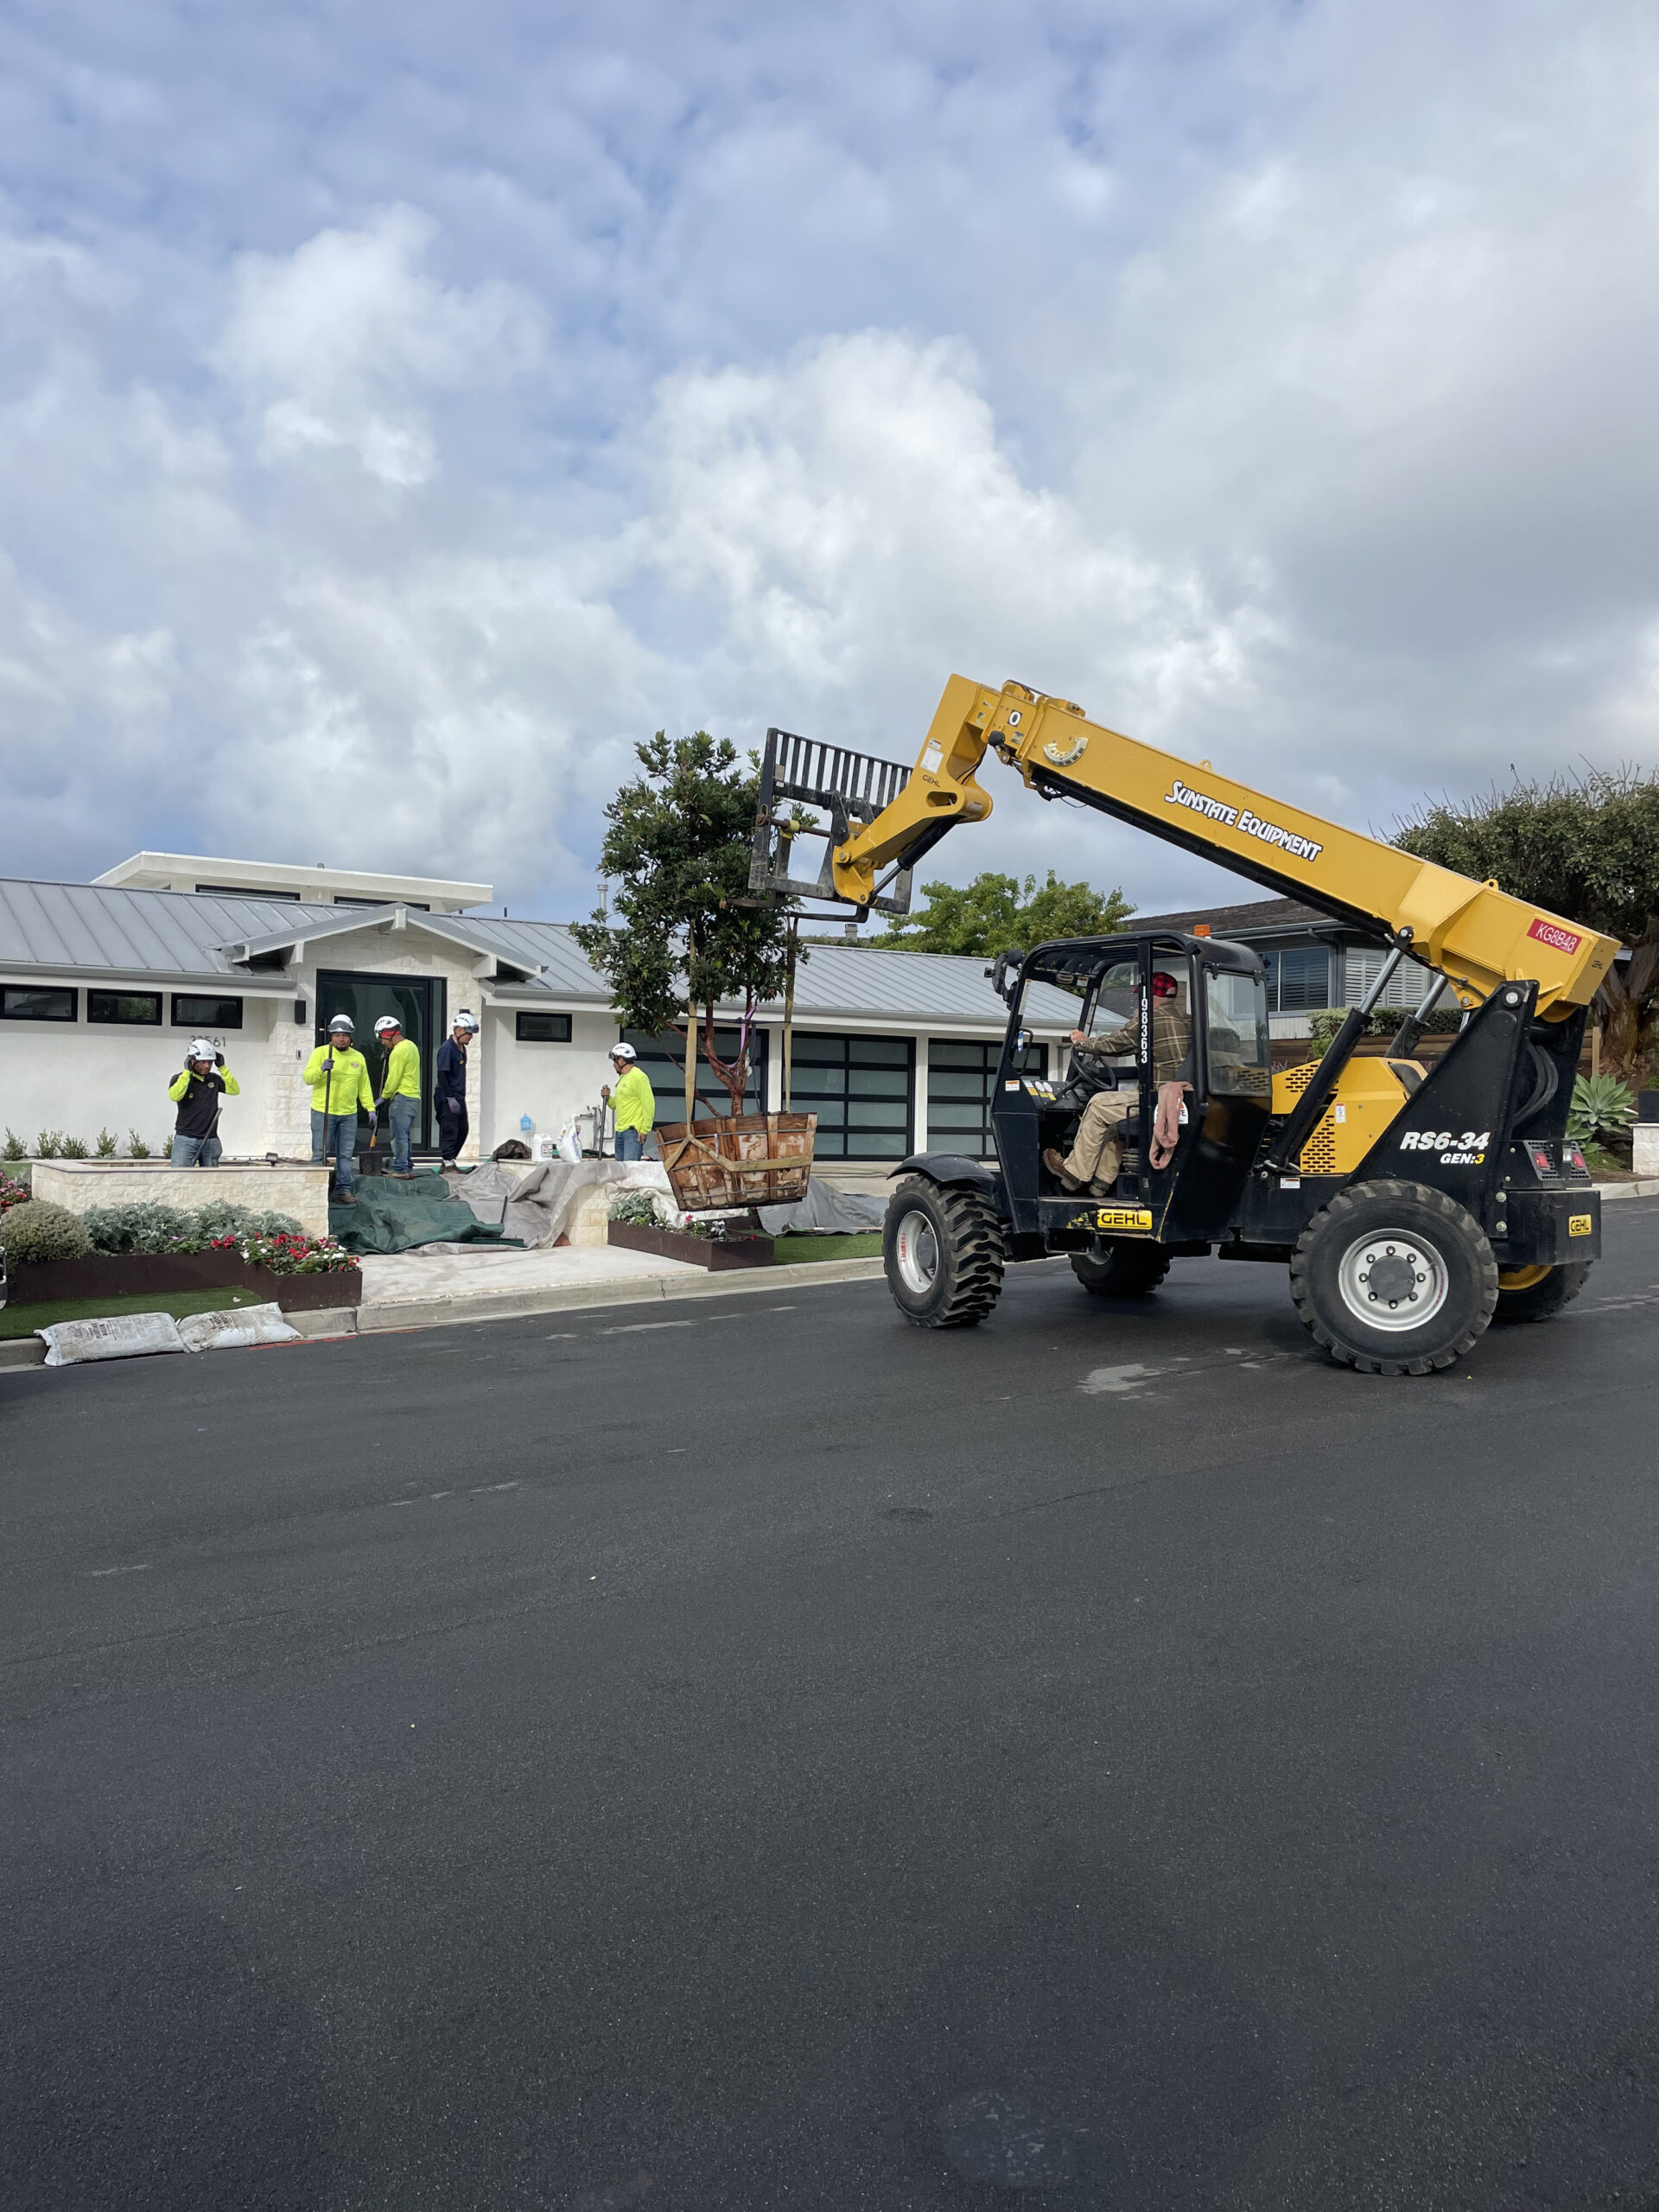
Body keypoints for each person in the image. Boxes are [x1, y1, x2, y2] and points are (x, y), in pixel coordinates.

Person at [1042, 969, 1193, 1196]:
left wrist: (1082, 1043)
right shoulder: (1189, 1021)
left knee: (1098, 1104)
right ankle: (1101, 1184)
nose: (1136, 1001)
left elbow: (1115, 1043)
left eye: (1139, 996)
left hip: (1157, 1098)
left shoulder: (1148, 1020)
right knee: (1114, 1122)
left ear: (1150, 996)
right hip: (1184, 1099)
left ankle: (1074, 1172)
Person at [303, 1014, 374, 1205]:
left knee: (345, 1155)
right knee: (321, 1153)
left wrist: (370, 1108)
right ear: (331, 1036)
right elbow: (308, 1078)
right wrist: (321, 1069)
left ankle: (343, 1190)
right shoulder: (321, 1053)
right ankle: (316, 1190)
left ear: (351, 1037)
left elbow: (363, 1086)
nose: (340, 1038)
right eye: (336, 1035)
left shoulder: (358, 1057)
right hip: (323, 1112)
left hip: (348, 1114)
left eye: (344, 1035)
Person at [168, 1039, 238, 1166]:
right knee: (180, 1178)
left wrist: (222, 1068)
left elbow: (234, 1090)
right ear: (191, 1061)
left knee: (211, 1181)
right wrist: (187, 1073)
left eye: (210, 1062)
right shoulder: (179, 1079)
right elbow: (175, 1096)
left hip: (210, 1139)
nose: (207, 1066)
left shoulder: (214, 1079)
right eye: (203, 1062)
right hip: (186, 1140)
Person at [373, 1014, 422, 1179]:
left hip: (402, 1097)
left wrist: (384, 1097)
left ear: (387, 1033)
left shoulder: (398, 1052)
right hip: (414, 1098)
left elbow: (393, 1078)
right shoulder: (411, 1046)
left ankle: (400, 1169)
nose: (382, 1042)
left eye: (381, 1038)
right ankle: (406, 1166)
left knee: (398, 1136)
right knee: (405, 1135)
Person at [434, 1010, 478, 1168]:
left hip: (458, 1095)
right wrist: (449, 1097)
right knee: (450, 1130)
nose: (471, 1037)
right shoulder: (447, 1049)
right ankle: (447, 1161)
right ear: (459, 1030)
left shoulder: (461, 1048)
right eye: (469, 1033)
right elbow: (442, 1075)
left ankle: (451, 1160)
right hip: (447, 1096)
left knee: (462, 1129)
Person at [601, 1040, 655, 1160]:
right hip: (620, 1131)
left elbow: (649, 1104)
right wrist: (608, 1098)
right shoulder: (623, 1079)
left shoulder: (639, 1077)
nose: (613, 1065)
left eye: (615, 1061)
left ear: (621, 1060)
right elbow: (617, 1104)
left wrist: (645, 1130)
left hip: (633, 1132)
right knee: (620, 1172)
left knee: (629, 1170)